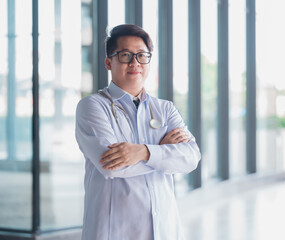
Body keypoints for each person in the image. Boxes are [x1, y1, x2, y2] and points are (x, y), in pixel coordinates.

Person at [75, 24, 201, 240]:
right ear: (109, 62)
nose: (135, 62)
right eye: (125, 55)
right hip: (113, 231)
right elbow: (111, 167)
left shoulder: (165, 109)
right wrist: (162, 152)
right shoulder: (92, 106)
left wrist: (144, 152)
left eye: (142, 55)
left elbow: (191, 158)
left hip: (164, 230)